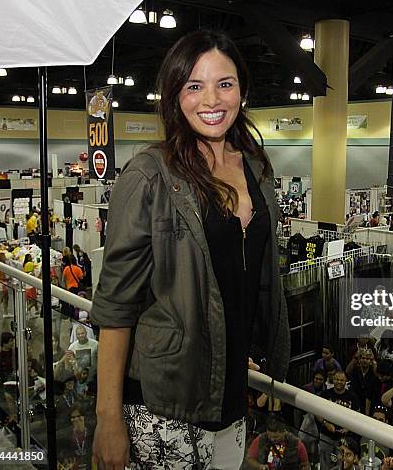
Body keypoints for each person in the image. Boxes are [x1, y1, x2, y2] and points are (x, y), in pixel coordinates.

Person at [90, 30, 290, 470]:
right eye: (194, 86)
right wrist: (108, 418)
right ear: (174, 95)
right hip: (163, 406)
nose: (211, 99)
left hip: (231, 396)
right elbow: (117, 306)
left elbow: (246, 277)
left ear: (242, 89)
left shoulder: (256, 167)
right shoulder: (149, 175)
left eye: (225, 83)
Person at [317, 371, 360, 470]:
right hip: (326, 435)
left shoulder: (352, 397)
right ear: (333, 380)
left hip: (344, 439)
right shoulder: (325, 394)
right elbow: (316, 412)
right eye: (337, 379)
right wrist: (325, 423)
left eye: (342, 380)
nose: (339, 382)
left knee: (342, 463)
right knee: (324, 462)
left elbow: (358, 416)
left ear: (346, 381)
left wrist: (349, 427)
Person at [246, 414, 310, 470]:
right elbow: (250, 459)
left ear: (285, 432)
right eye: (269, 436)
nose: (272, 439)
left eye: (276, 437)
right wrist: (260, 467)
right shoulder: (261, 439)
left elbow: (305, 464)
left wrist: (305, 468)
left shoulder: (296, 443)